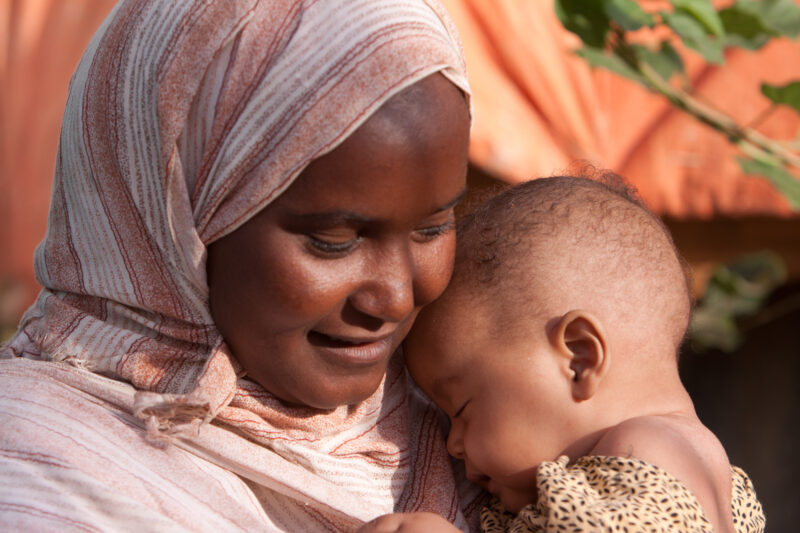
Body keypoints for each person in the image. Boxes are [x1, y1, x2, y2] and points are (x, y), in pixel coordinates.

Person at [0, 1, 485, 530]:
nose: (394, 296)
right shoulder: (42, 476)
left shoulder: (473, 422)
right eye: (332, 240)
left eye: (433, 227)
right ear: (172, 223)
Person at [360, 174, 765, 532]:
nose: (453, 444)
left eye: (462, 409)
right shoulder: (714, 475)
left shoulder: (647, 448)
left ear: (579, 358)